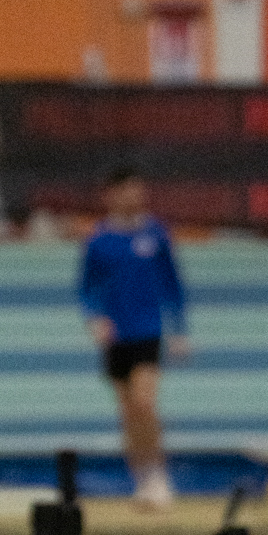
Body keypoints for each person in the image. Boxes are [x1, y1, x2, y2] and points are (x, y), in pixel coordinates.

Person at [79, 167, 187, 511]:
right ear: (111, 194)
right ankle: (141, 481)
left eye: (138, 189)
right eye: (126, 189)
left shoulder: (155, 234)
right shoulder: (99, 240)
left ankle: (159, 477)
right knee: (128, 413)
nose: (134, 196)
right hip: (116, 337)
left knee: (145, 404)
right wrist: (95, 318)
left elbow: (173, 285)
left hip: (148, 332)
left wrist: (179, 330)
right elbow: (87, 288)